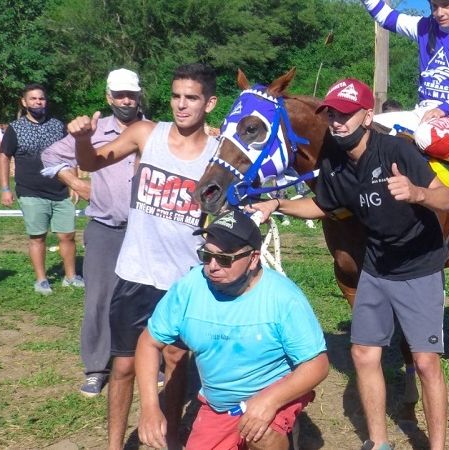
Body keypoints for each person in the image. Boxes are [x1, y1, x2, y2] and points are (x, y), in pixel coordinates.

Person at [250, 78, 449, 450]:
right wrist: (277, 204)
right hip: (376, 265)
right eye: (332, 114)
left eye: (346, 114)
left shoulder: (395, 150)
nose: (338, 122)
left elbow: (448, 200)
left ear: (367, 115)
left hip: (418, 265)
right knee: (363, 353)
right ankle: (378, 443)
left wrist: (418, 193)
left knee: (426, 363)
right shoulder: (333, 159)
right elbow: (323, 205)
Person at [67, 62, 220, 450]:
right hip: (135, 273)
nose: (181, 105)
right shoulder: (146, 133)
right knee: (123, 366)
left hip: (183, 279)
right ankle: (115, 445)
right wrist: (84, 139)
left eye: (191, 98)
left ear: (210, 103)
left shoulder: (219, 153)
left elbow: (236, 204)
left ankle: (169, 440)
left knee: (175, 362)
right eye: (175, 96)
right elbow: (91, 163)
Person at [135, 209, 329, 450]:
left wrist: (269, 400)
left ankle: (281, 432)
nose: (212, 267)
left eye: (224, 258)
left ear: (253, 258)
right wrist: (150, 408)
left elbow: (317, 364)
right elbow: (148, 342)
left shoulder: (284, 297)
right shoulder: (190, 287)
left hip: (273, 390)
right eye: (206, 256)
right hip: (220, 405)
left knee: (262, 434)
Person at [41, 68, 144, 397]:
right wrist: (74, 181)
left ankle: (147, 362)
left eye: (132, 94)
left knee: (146, 299)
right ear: (108, 96)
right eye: (120, 94)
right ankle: (97, 368)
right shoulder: (93, 131)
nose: (126, 100)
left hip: (145, 229)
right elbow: (51, 155)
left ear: (140, 96)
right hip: (104, 228)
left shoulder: (155, 131)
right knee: (99, 299)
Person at [360, 0, 449, 194]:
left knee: (425, 135)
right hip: (422, 112)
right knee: (369, 126)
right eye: (434, 6)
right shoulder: (424, 27)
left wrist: (444, 109)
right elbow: (385, 17)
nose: (439, 13)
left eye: (446, 5)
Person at [0, 83, 84, 295]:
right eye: (33, 99)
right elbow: (4, 157)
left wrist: (74, 182)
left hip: (60, 191)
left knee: (68, 236)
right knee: (38, 237)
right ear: (24, 102)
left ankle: (71, 276)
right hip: (31, 191)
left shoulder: (58, 126)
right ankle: (41, 280)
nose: (38, 102)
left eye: (41, 98)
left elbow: (70, 154)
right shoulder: (15, 129)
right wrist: (4, 188)